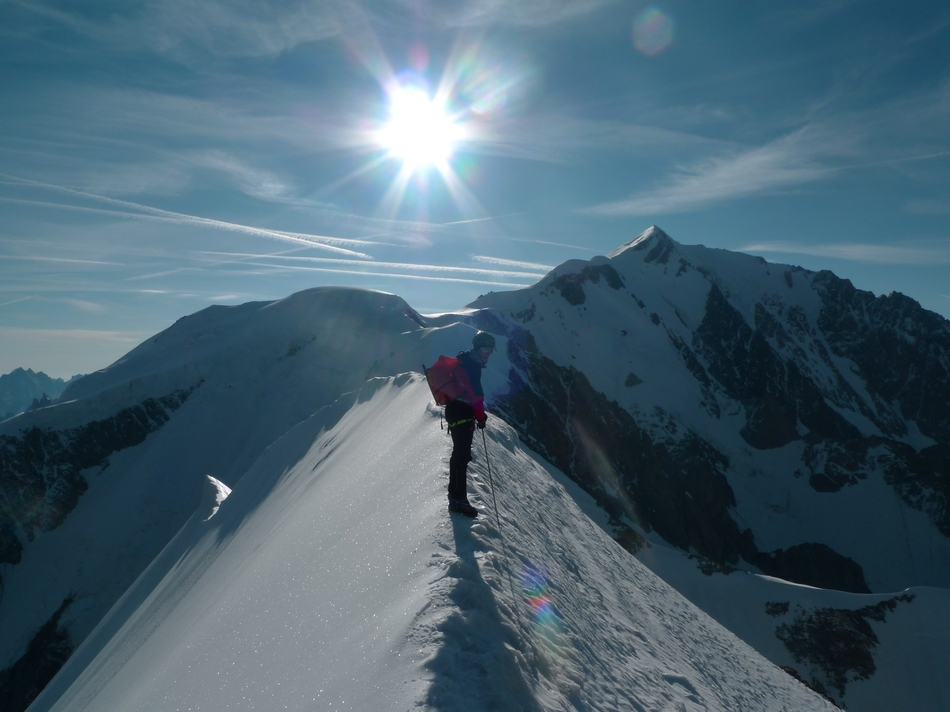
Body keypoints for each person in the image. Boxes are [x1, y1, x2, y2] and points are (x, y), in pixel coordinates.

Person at [445, 331, 495, 517]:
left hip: (455, 413)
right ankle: (459, 501)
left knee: (458, 456)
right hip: (462, 415)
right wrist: (481, 417)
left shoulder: (465, 362)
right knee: (462, 457)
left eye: (490, 350)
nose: (487, 353)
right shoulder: (471, 367)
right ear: (477, 347)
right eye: (484, 349)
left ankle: (455, 497)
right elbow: (476, 397)